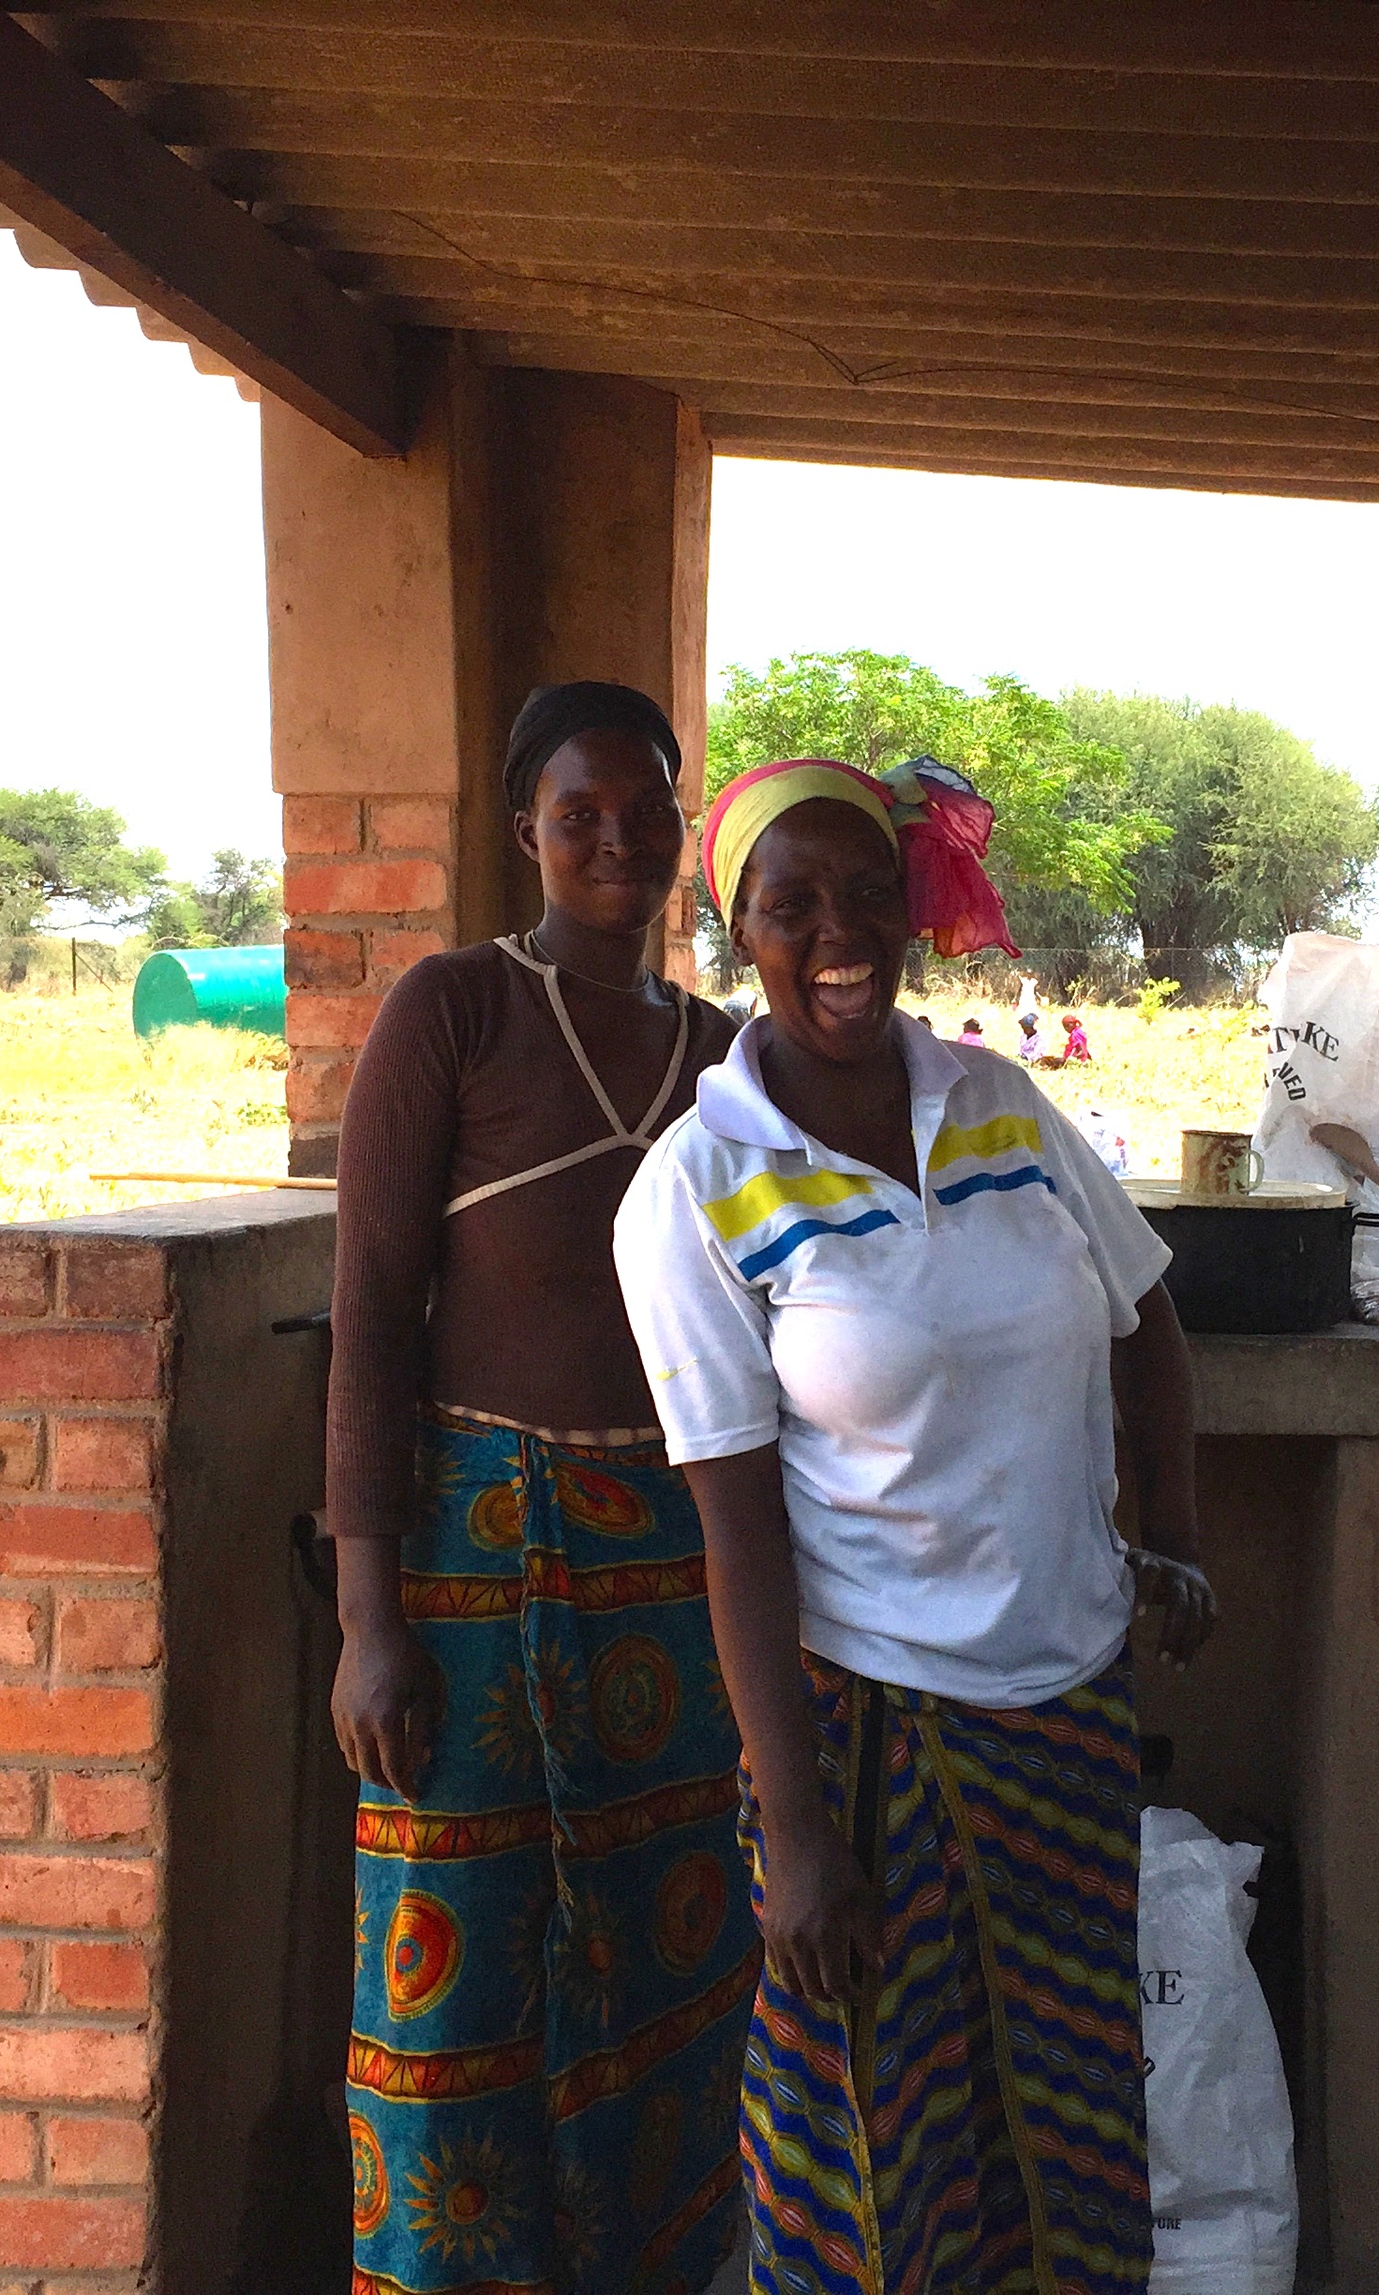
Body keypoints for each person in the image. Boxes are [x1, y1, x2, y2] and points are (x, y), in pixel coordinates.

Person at [613, 754, 1217, 2295]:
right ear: (734, 927)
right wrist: (797, 1835)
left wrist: (1175, 1533)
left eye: (869, 891)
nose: (839, 931)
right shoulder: (702, 1185)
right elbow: (738, 1529)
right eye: (790, 901)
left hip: (1068, 1711)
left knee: (1076, 2130)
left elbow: (1145, 1318)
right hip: (872, 1741)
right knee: (870, 2148)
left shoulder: (1000, 1104)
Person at [327, 682, 754, 2295]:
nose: (619, 845)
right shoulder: (452, 1011)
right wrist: (373, 1619)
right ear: (528, 833)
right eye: (581, 816)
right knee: (458, 1971)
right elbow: (370, 1315)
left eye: (647, 814)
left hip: (671, 1561)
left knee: (669, 1954)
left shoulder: (724, 1057)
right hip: (467, 1568)